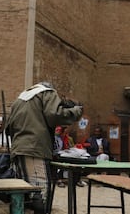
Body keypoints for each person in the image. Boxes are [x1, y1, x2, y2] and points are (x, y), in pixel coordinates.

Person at [6, 82, 83, 214]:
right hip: (35, 150)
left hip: (18, 150)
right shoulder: (47, 92)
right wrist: (76, 111)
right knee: (40, 195)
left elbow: (8, 128)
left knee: (24, 195)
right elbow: (55, 115)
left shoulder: (20, 99)